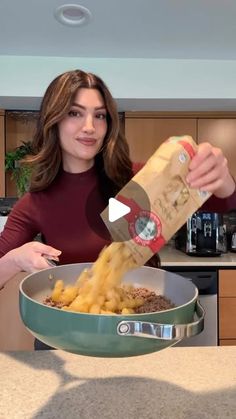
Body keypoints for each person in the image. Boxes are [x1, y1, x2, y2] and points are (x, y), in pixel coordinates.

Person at [0, 70, 235, 348]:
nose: (90, 126)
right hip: (68, 338)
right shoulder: (37, 202)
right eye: (75, 113)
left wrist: (221, 180)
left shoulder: (135, 180)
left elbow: (222, 201)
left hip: (139, 334)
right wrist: (15, 259)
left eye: (99, 115)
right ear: (54, 120)